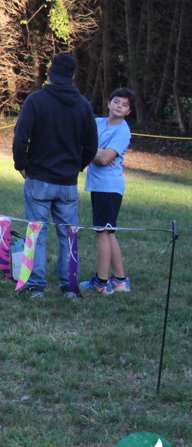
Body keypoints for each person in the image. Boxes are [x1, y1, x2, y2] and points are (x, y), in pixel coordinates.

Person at [12, 53, 98, 299]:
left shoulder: (36, 100)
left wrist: (21, 165)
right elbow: (91, 146)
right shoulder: (83, 105)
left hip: (39, 178)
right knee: (68, 236)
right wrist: (77, 167)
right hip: (67, 183)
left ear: (50, 72)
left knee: (37, 233)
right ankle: (69, 287)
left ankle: (36, 286)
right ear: (73, 75)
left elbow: (20, 137)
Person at [79, 87, 136, 294]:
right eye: (117, 102)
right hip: (97, 185)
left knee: (102, 233)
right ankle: (120, 281)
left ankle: (101, 283)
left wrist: (93, 152)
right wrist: (97, 152)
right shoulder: (97, 123)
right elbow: (80, 142)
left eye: (125, 105)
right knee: (108, 232)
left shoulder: (123, 131)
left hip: (109, 187)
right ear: (109, 103)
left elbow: (103, 159)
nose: (120, 106)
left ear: (129, 111)